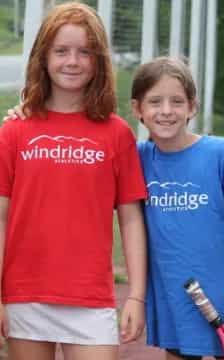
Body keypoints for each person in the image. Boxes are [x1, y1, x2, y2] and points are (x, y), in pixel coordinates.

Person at [0, 3, 147, 360]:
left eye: (85, 52)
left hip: (90, 298)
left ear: (98, 61)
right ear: (43, 57)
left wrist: (137, 296)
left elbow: (130, 220)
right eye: (61, 51)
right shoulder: (14, 131)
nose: (72, 61)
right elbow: (1, 218)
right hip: (25, 294)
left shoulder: (117, 134)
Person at [130, 57, 224, 360]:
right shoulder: (137, 159)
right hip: (177, 313)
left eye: (177, 101)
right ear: (138, 109)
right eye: (155, 101)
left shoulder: (222, 155)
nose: (166, 111)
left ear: (192, 107)